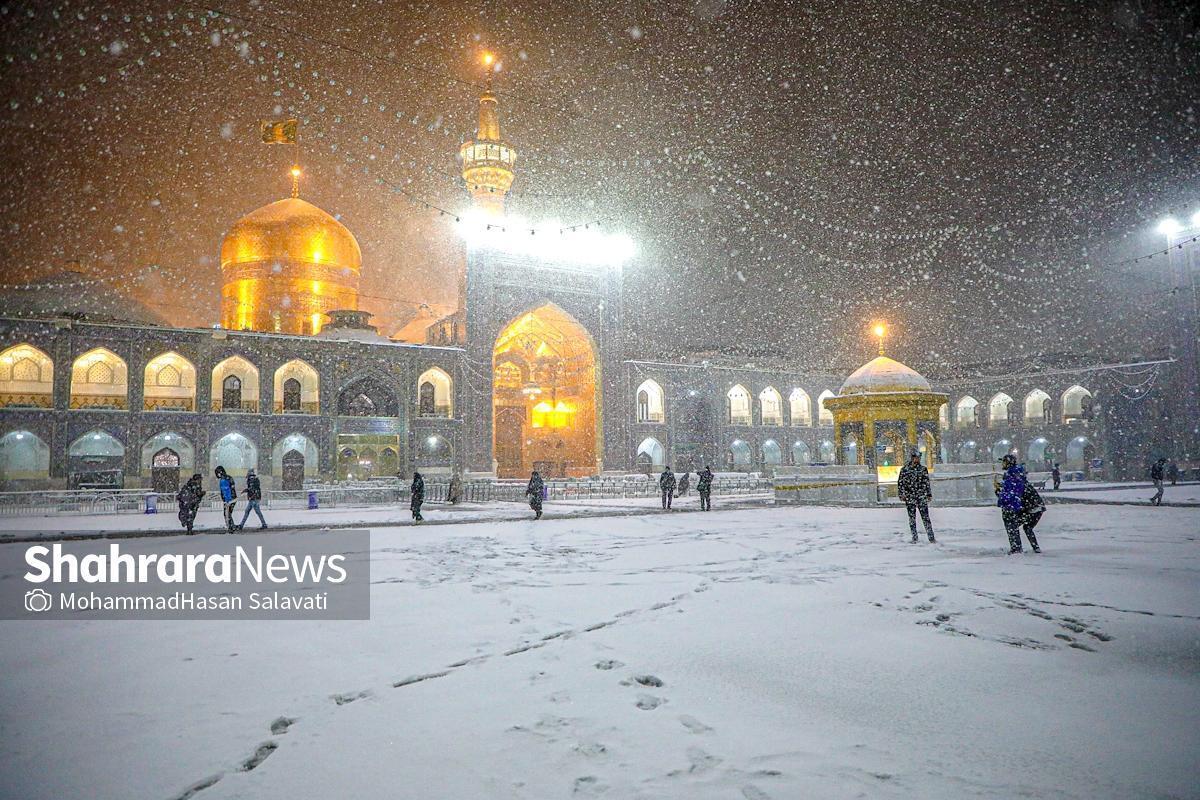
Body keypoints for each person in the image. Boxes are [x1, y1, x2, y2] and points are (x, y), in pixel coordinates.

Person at [996, 454, 1037, 553]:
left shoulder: (1012, 474)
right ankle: (1016, 547)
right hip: (1013, 504)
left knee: (1011, 527)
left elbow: (1012, 492)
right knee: (1012, 527)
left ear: (1008, 463)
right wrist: (1001, 487)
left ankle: (1016, 548)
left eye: (1004, 461)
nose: (1002, 464)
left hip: (1010, 505)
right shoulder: (1015, 474)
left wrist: (1000, 494)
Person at [897, 451, 935, 543]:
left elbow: (926, 483)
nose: (917, 459)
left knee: (925, 517)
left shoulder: (922, 469)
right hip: (910, 496)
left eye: (918, 458)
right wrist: (902, 494)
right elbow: (900, 483)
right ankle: (914, 537)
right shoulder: (905, 469)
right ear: (912, 458)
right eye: (916, 458)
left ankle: (931, 537)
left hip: (920, 495)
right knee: (912, 518)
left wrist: (928, 494)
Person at [1018, 472, 1045, 553]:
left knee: (1024, 527)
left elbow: (1023, 501)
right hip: (1037, 508)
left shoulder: (1021, 486)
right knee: (1027, 527)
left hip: (1033, 509)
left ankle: (1017, 547)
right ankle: (1035, 547)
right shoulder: (1025, 485)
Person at [215, 466, 237, 534]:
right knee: (228, 514)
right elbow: (228, 489)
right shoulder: (226, 478)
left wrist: (227, 500)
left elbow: (227, 490)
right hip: (230, 499)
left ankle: (231, 528)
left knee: (227, 514)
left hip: (230, 500)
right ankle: (231, 527)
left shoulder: (224, 479)